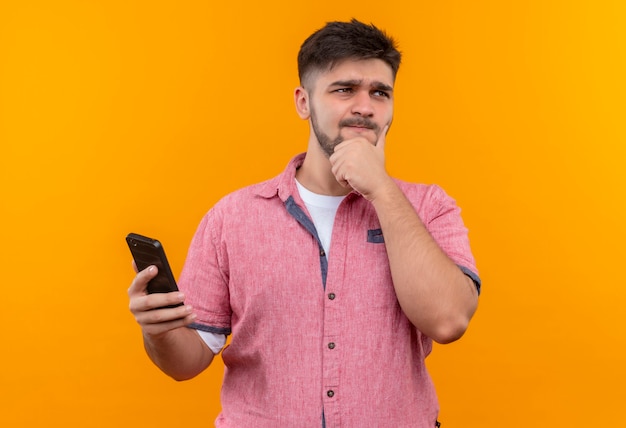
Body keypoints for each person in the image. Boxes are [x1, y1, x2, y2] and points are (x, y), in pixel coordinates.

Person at [128, 19, 480, 428]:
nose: (364, 106)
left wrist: (381, 189)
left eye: (380, 93)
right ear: (303, 102)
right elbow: (186, 363)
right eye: (344, 89)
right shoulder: (232, 218)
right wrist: (158, 331)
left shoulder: (429, 207)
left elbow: (449, 320)